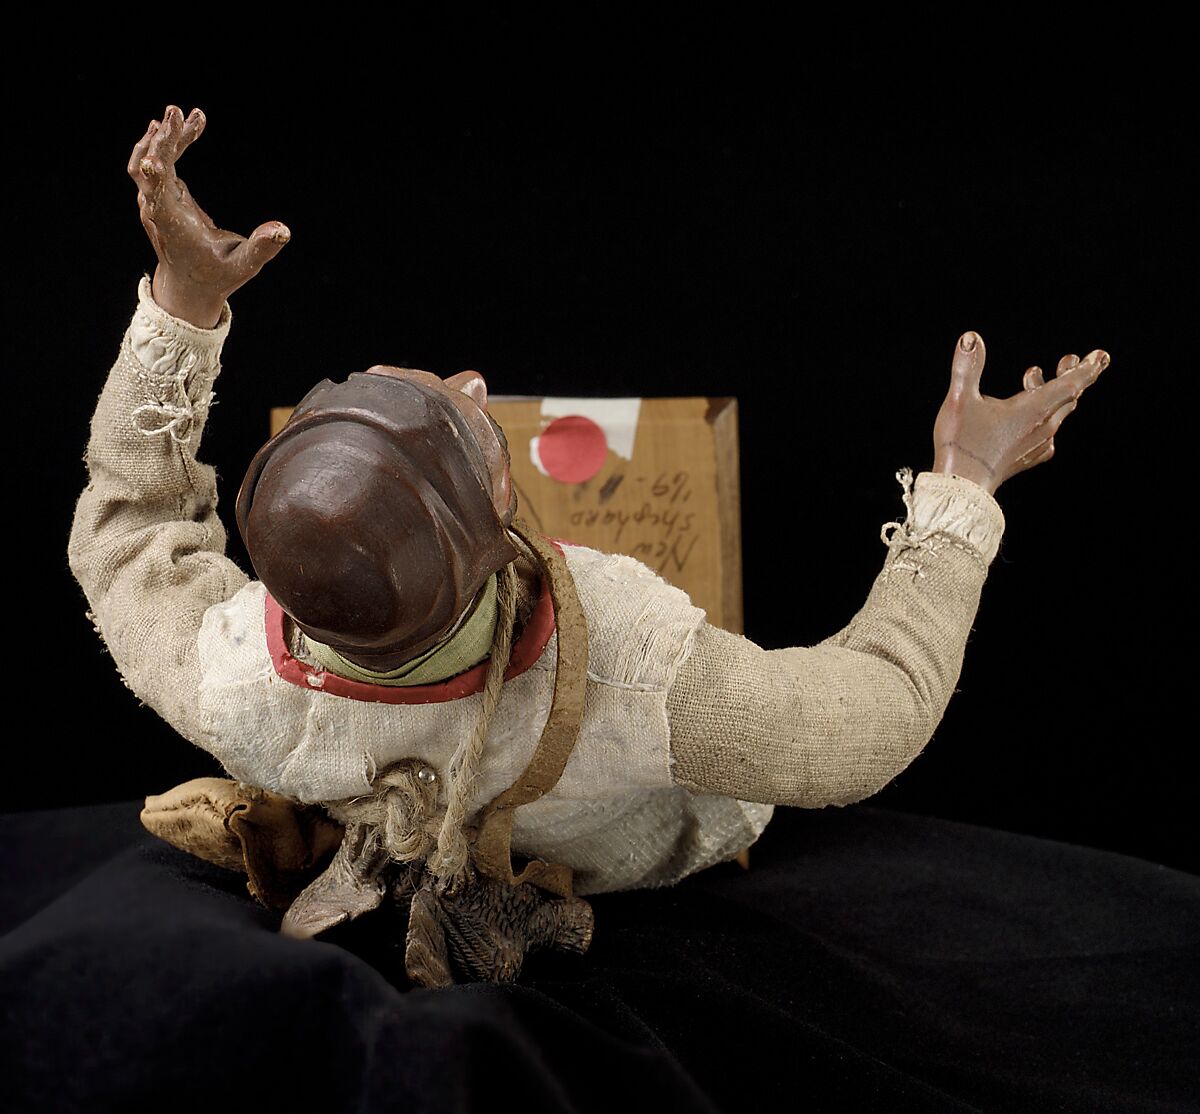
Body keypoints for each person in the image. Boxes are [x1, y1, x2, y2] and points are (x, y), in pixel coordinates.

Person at [69, 106, 1107, 982]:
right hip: (643, 862)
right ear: (504, 500)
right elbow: (875, 716)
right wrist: (965, 487)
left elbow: (133, 529)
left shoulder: (234, 676)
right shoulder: (632, 661)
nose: (472, 379)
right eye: (468, 415)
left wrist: (185, 305)